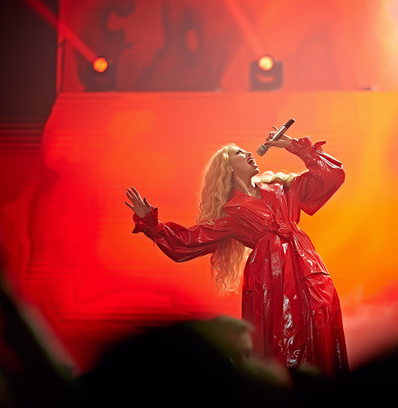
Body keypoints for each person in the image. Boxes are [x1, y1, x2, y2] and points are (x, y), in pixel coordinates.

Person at [125, 127, 348, 376]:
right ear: (228, 169)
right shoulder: (231, 213)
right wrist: (152, 224)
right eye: (239, 154)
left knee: (319, 330)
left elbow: (332, 175)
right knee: (278, 342)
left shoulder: (284, 188)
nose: (249, 153)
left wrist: (293, 145)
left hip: (307, 268)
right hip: (269, 279)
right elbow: (184, 244)